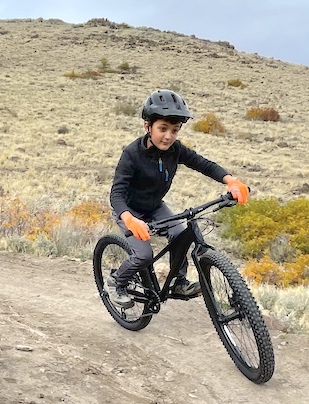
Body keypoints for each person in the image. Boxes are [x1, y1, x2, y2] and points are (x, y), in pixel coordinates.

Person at [107, 89, 249, 309]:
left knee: (181, 235)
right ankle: (117, 281)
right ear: (147, 127)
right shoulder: (131, 154)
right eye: (162, 129)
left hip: (155, 207)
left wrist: (231, 181)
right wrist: (129, 219)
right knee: (144, 255)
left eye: (174, 130)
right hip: (129, 211)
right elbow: (116, 194)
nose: (169, 136)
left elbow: (204, 164)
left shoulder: (176, 150)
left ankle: (178, 282)